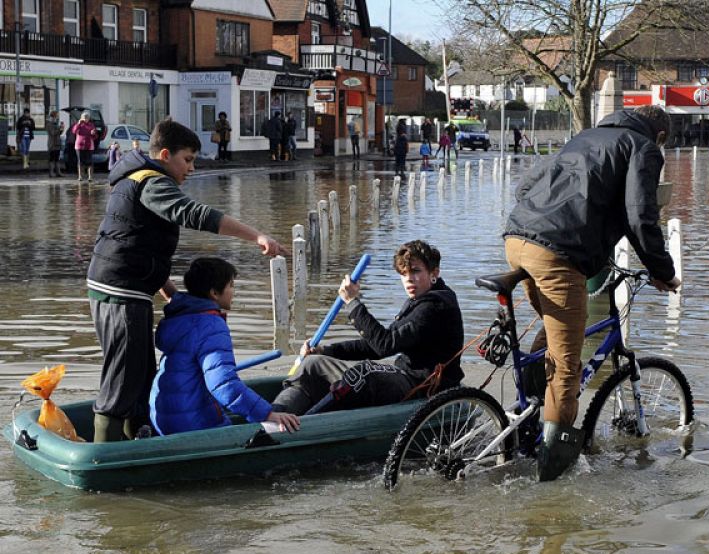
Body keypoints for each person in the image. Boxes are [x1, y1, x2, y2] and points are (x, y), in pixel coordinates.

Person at [504, 105, 681, 482]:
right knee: (568, 367)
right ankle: (551, 476)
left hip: (516, 239)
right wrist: (663, 271)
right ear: (661, 135)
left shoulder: (584, 138)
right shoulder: (643, 148)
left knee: (553, 333)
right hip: (556, 252)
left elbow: (524, 188)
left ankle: (532, 412)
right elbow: (640, 215)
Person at [86, 117, 289, 442]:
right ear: (165, 154)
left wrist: (168, 290)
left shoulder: (135, 179)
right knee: (124, 377)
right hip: (119, 291)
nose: (191, 168)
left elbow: (140, 244)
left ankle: (139, 440)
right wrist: (256, 236)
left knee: (140, 373)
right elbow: (193, 213)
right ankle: (103, 455)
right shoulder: (152, 181)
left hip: (123, 287)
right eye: (188, 159)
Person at [272, 240, 464, 415]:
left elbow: (384, 345)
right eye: (404, 274)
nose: (409, 279)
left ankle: (299, 424)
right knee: (313, 363)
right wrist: (326, 350)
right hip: (405, 377)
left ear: (434, 273)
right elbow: (377, 344)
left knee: (365, 372)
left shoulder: (436, 305)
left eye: (416, 271)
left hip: (424, 385)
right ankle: (277, 417)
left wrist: (353, 303)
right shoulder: (420, 300)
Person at [149, 257, 300, 435]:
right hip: (191, 425)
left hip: (163, 417)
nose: (233, 291)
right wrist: (267, 414)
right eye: (231, 286)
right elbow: (222, 383)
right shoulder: (211, 325)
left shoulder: (179, 318)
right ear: (214, 292)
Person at [72, 111, 97, 182]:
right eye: (84, 117)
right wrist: (78, 124)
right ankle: (80, 176)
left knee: (90, 162)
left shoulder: (91, 125)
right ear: (81, 118)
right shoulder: (78, 124)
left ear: (89, 118)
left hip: (89, 146)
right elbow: (74, 131)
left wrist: (93, 133)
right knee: (80, 161)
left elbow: (95, 137)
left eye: (87, 117)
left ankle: (90, 177)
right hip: (79, 146)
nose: (86, 118)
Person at [45, 110, 64, 178]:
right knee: (52, 159)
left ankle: (58, 172)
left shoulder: (56, 124)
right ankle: (51, 173)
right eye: (57, 115)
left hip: (57, 144)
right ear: (54, 116)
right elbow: (53, 133)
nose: (58, 117)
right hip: (52, 144)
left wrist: (62, 129)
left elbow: (58, 133)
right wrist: (59, 129)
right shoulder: (49, 124)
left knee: (57, 159)